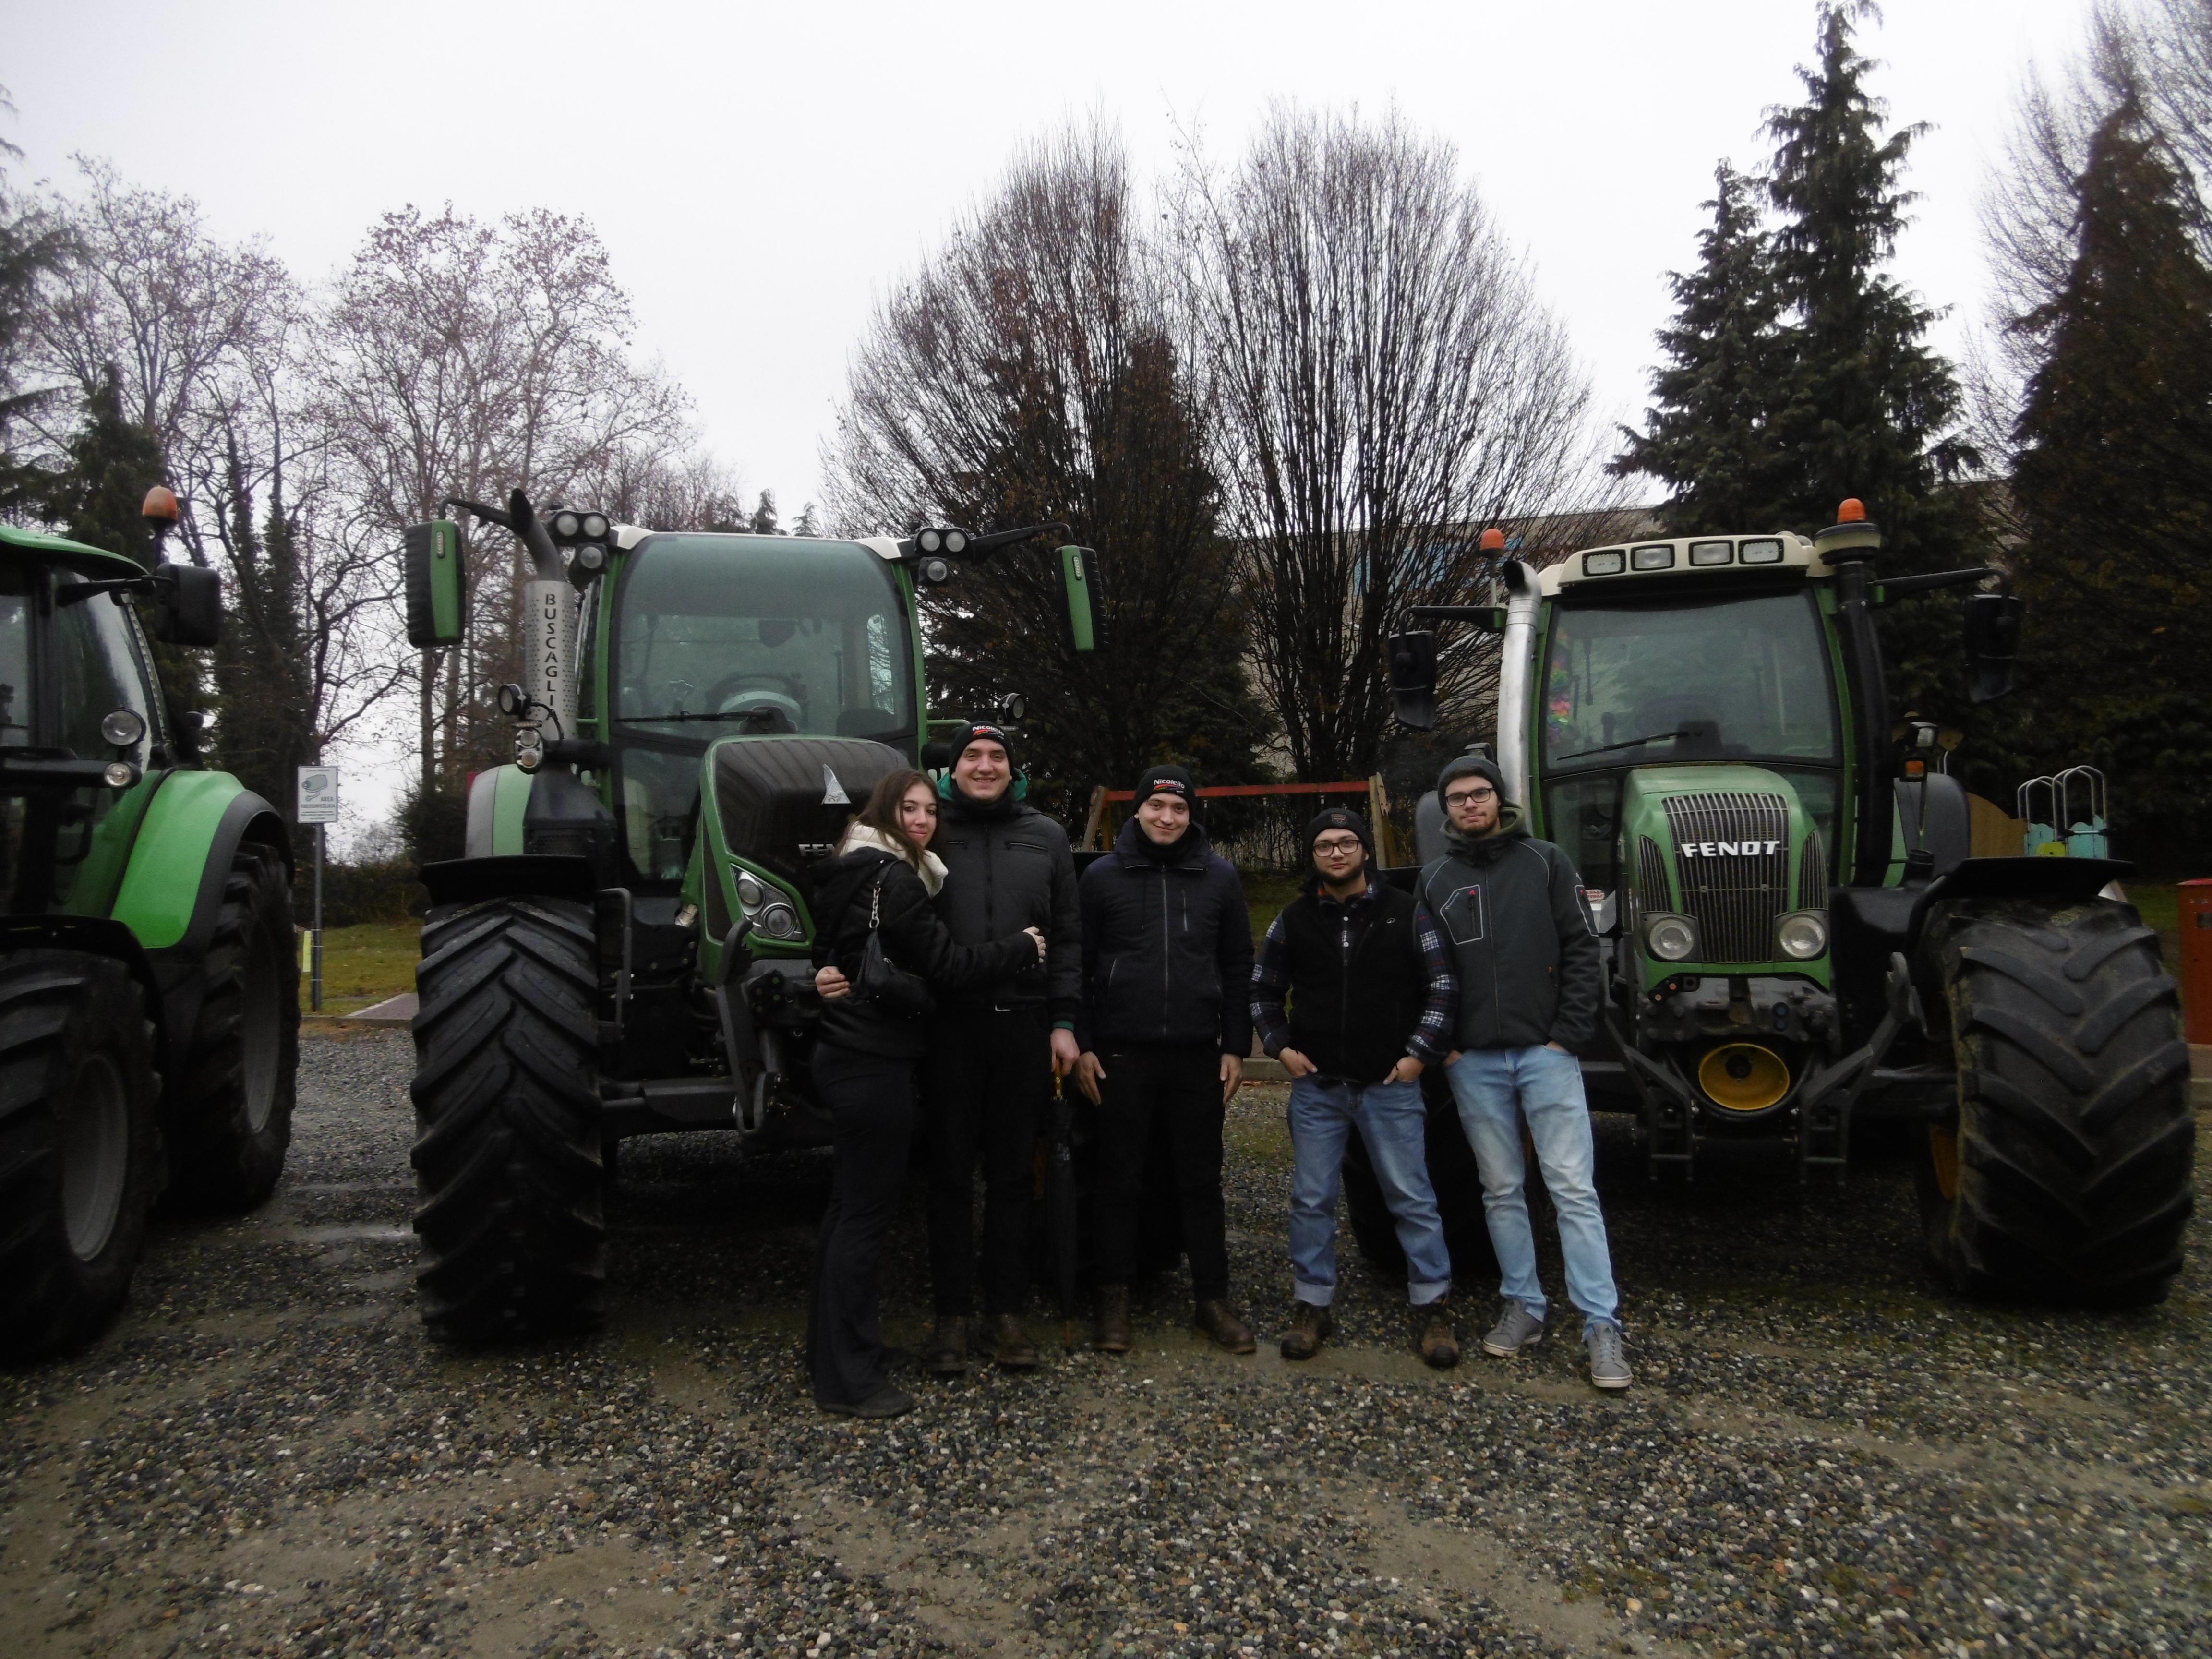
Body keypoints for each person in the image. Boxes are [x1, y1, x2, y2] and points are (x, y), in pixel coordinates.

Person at [803, 769, 1045, 1418]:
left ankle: (831, 1353)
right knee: (864, 1221)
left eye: (930, 811)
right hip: (874, 1061)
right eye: (908, 809)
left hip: (840, 1052)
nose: (921, 820)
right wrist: (1022, 947)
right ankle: (851, 1382)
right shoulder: (900, 879)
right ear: (884, 811)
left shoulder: (845, 867)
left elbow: (825, 952)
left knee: (843, 1211)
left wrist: (823, 974)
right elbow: (950, 966)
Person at [1421, 753, 1629, 1391]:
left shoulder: (1546, 862)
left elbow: (1582, 947)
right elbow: (1425, 969)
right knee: (1501, 1188)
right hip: (1474, 1061)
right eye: (1458, 797)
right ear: (1447, 808)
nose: (1470, 804)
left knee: (1572, 1187)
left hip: (1546, 1054)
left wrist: (1568, 1036)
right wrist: (1448, 1049)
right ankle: (1524, 1305)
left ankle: (1601, 1324)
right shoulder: (1435, 879)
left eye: (1479, 793)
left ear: (1499, 798)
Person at [1250, 807, 1461, 1368]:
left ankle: (1433, 1305)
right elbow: (1263, 990)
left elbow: (1442, 988)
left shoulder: (1407, 912)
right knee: (1311, 1199)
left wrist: (1418, 1055)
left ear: (1365, 850)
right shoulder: (1293, 919)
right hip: (1318, 1087)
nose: (1337, 853)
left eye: (1347, 843)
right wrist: (1279, 1046)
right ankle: (1312, 1304)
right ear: (1313, 857)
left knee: (1412, 1198)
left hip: (1390, 1086)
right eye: (1325, 845)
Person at [1073, 765, 1256, 1355]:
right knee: (1118, 1179)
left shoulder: (1219, 876)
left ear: (1191, 814)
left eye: (1179, 809)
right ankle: (1114, 1298)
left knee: (1200, 1179)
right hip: (1120, 1054)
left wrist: (1235, 1044)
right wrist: (1083, 1043)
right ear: (1138, 811)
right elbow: (1078, 967)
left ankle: (1212, 1300)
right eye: (1157, 807)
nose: (1168, 818)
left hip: (1196, 1055)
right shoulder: (1102, 877)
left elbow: (1237, 963)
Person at [920, 721, 1083, 1374]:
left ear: (1014, 770)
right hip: (949, 1028)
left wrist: (1064, 1020)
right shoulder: (928, 829)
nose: (984, 766)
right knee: (949, 1177)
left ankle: (1005, 1315)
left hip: (1023, 1025)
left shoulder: (1046, 836)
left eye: (996, 756)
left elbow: (1067, 936)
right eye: (972, 756)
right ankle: (952, 1317)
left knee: (1014, 1178)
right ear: (952, 768)